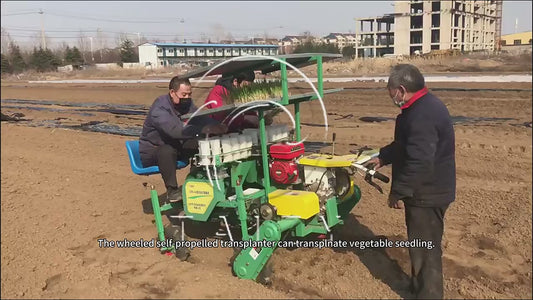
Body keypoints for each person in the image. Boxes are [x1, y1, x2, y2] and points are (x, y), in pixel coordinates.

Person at [365, 64, 456, 299]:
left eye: (391, 91)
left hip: (427, 194)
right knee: (420, 245)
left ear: (401, 90)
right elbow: (405, 146)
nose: (391, 96)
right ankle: (419, 287)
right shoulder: (421, 107)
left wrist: (400, 192)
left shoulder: (423, 115)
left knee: (426, 249)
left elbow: (420, 161)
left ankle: (429, 295)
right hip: (428, 190)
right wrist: (383, 157)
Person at [139, 76, 227, 202]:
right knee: (166, 150)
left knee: (202, 143)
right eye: (183, 94)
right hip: (153, 149)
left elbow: (199, 117)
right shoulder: (160, 108)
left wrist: (216, 125)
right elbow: (174, 130)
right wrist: (202, 129)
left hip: (175, 145)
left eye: (189, 94)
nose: (187, 98)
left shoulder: (187, 104)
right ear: (172, 93)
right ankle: (172, 191)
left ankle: (200, 176)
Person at [204, 71, 273, 131]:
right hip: (218, 134)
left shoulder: (239, 92)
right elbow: (220, 119)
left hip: (237, 131)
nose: (247, 90)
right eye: (245, 86)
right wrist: (245, 118)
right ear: (235, 82)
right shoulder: (218, 91)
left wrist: (260, 119)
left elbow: (248, 112)